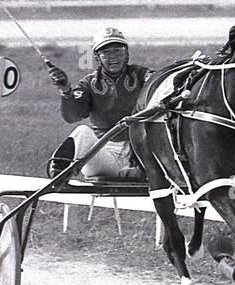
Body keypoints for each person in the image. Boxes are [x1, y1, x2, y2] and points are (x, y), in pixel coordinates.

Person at [45, 27, 154, 180]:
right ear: (97, 57)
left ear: (127, 54)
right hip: (104, 156)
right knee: (82, 131)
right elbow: (72, 117)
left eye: (118, 51)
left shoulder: (141, 74)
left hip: (139, 154)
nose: (113, 57)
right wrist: (66, 91)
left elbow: (157, 82)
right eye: (106, 53)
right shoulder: (89, 83)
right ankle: (58, 178)